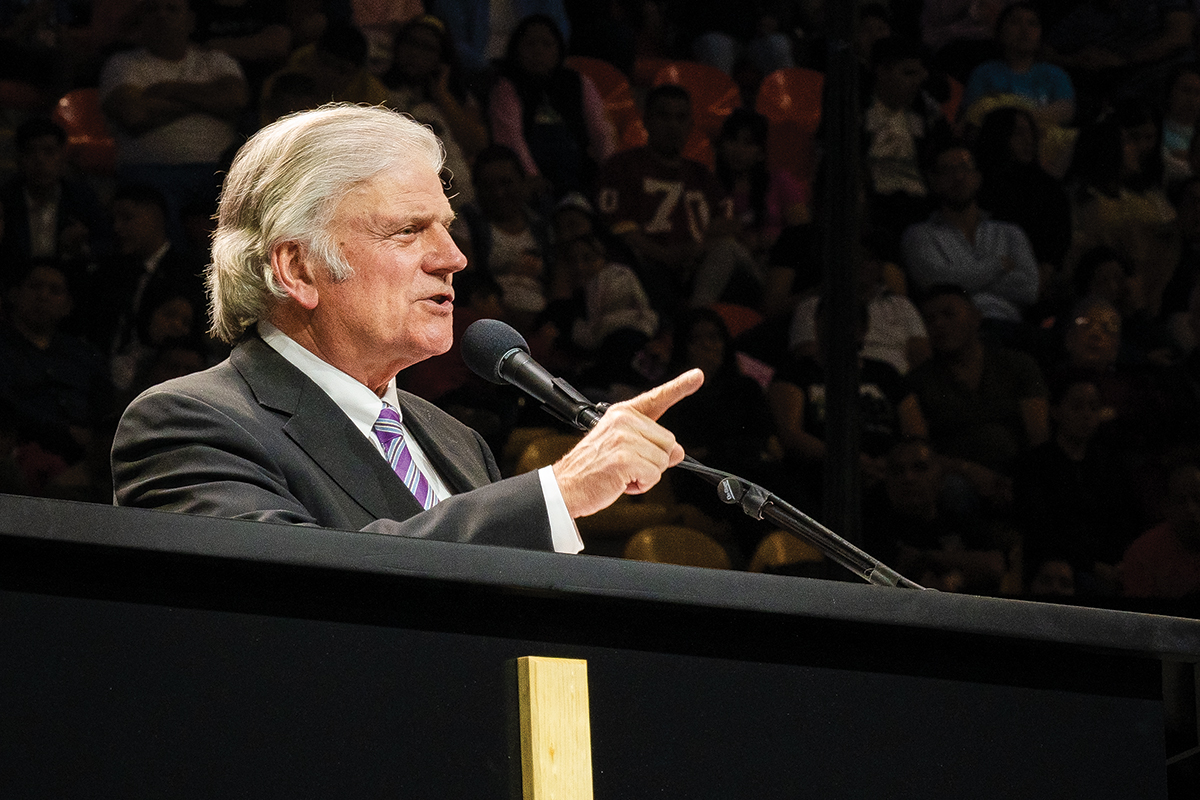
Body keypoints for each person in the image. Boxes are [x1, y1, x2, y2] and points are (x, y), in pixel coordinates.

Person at [111, 103, 703, 553]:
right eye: (408, 231)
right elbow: (296, 594)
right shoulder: (187, 424)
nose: (453, 258)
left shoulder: (458, 442)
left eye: (446, 227)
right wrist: (558, 492)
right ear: (297, 268)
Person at [900, 140, 1041, 342]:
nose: (958, 177)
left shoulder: (1010, 233)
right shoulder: (920, 235)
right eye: (948, 171)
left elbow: (1029, 289)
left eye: (964, 168)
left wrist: (964, 280)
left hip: (1010, 327)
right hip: (954, 332)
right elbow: (937, 284)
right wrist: (998, 265)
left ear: (978, 176)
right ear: (934, 180)